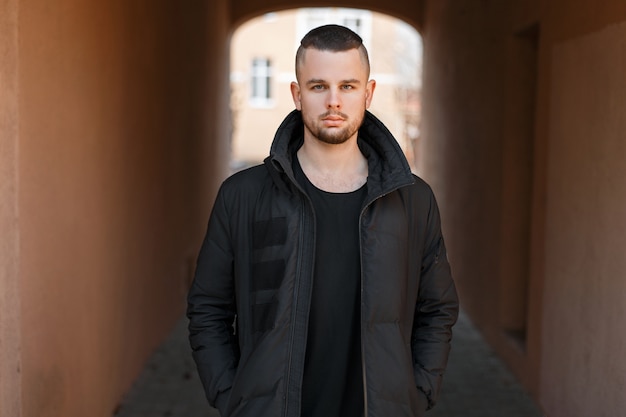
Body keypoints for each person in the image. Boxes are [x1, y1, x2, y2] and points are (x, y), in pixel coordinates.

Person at [187, 24, 459, 417]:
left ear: (368, 94)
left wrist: (417, 393)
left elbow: (437, 309)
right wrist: (234, 397)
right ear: (297, 95)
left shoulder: (413, 200)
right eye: (318, 87)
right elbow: (208, 308)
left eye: (348, 86)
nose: (334, 101)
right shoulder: (243, 196)